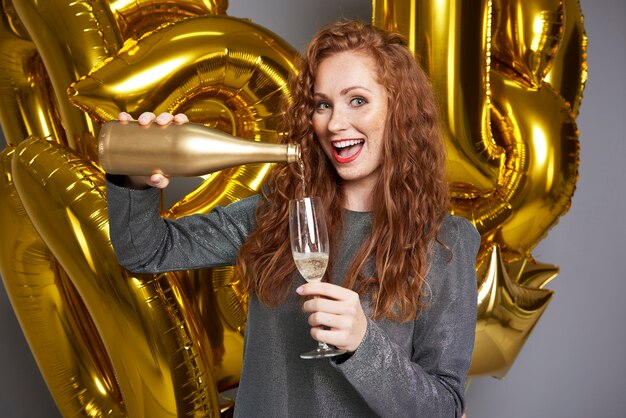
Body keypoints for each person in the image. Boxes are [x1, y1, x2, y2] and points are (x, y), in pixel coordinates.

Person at [106, 19, 479, 417]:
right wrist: (136, 178)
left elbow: (443, 409)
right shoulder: (275, 213)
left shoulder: (446, 243)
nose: (334, 124)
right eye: (322, 104)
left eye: (357, 100)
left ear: (399, 109)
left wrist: (364, 344)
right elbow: (145, 251)